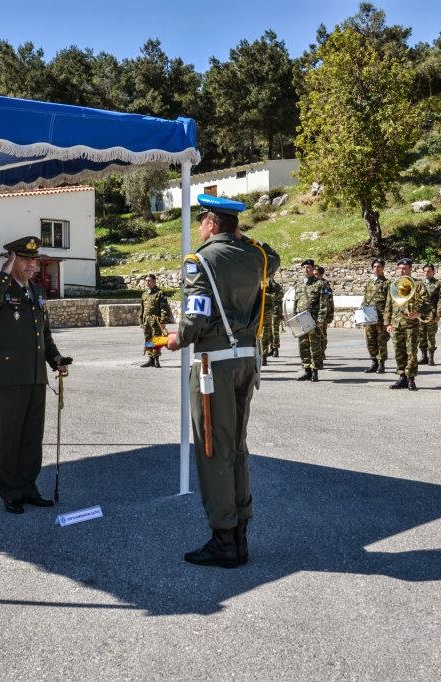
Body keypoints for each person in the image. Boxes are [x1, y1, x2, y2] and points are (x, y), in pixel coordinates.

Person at [165, 194, 280, 568]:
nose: (201, 228)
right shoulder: (256, 257)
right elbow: (273, 257)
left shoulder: (199, 261)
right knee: (238, 448)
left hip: (213, 365)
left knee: (213, 449)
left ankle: (224, 540)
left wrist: (176, 337)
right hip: (247, 360)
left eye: (203, 222)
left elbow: (195, 319)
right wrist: (242, 238)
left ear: (212, 224)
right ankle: (241, 533)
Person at [0, 236, 70, 515]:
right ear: (13, 260)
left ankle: (29, 487)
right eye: (25, 259)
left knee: (32, 436)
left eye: (34, 260)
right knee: (10, 437)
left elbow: (44, 333)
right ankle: (10, 492)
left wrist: (54, 358)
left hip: (35, 377)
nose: (32, 265)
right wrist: (5, 271)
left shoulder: (37, 291)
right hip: (8, 378)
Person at [384, 257, 430, 391]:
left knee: (411, 353)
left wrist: (419, 314)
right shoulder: (393, 285)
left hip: (411, 324)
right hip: (396, 324)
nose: (401, 270)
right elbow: (388, 305)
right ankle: (402, 377)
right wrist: (388, 323)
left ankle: (411, 379)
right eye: (399, 268)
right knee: (399, 352)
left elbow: (428, 303)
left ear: (410, 269)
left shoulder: (418, 284)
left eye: (404, 268)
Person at [292, 259, 329, 382]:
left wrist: (321, 320)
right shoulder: (298, 285)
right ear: (302, 269)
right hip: (301, 319)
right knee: (303, 345)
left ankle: (315, 371)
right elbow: (295, 303)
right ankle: (306, 370)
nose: (306, 269)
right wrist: (294, 318)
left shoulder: (319, 284)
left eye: (309, 267)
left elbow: (323, 304)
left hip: (313, 320)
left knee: (315, 346)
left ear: (313, 269)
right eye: (304, 267)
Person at [362, 258, 390, 373]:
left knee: (381, 341)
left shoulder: (387, 283)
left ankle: (381, 364)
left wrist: (387, 320)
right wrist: (361, 311)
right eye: (374, 267)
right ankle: (374, 362)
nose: (376, 269)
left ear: (383, 268)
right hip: (369, 317)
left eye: (379, 267)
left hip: (381, 317)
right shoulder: (370, 282)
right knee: (370, 340)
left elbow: (389, 302)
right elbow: (365, 299)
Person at [139, 274, 172, 368]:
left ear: (154, 281)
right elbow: (142, 308)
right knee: (148, 339)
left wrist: (163, 321)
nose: (147, 282)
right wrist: (141, 320)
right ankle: (150, 359)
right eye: (146, 281)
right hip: (146, 321)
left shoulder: (160, 293)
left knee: (156, 339)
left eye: (149, 280)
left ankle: (156, 359)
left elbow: (164, 308)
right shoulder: (145, 294)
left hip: (156, 321)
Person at [312, 265, 334, 362]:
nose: (315, 276)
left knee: (322, 334)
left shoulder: (325, 285)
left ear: (321, 275)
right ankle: (317, 354)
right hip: (313, 315)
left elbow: (328, 302)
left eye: (316, 274)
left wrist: (327, 317)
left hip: (323, 315)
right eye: (314, 274)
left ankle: (322, 351)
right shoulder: (312, 284)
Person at [261, 273, 284, 363]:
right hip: (258, 310)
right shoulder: (255, 279)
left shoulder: (269, 281)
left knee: (269, 331)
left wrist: (266, 296)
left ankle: (268, 353)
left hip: (268, 310)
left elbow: (279, 294)